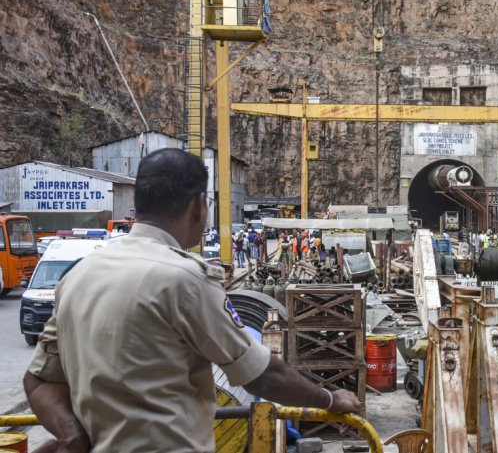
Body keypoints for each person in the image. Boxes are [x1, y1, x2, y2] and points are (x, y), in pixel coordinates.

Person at [23, 148, 360, 452]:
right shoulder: (185, 279)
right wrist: (330, 398)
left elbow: (38, 380)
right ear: (199, 206)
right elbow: (261, 375)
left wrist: (73, 436)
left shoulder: (78, 277)